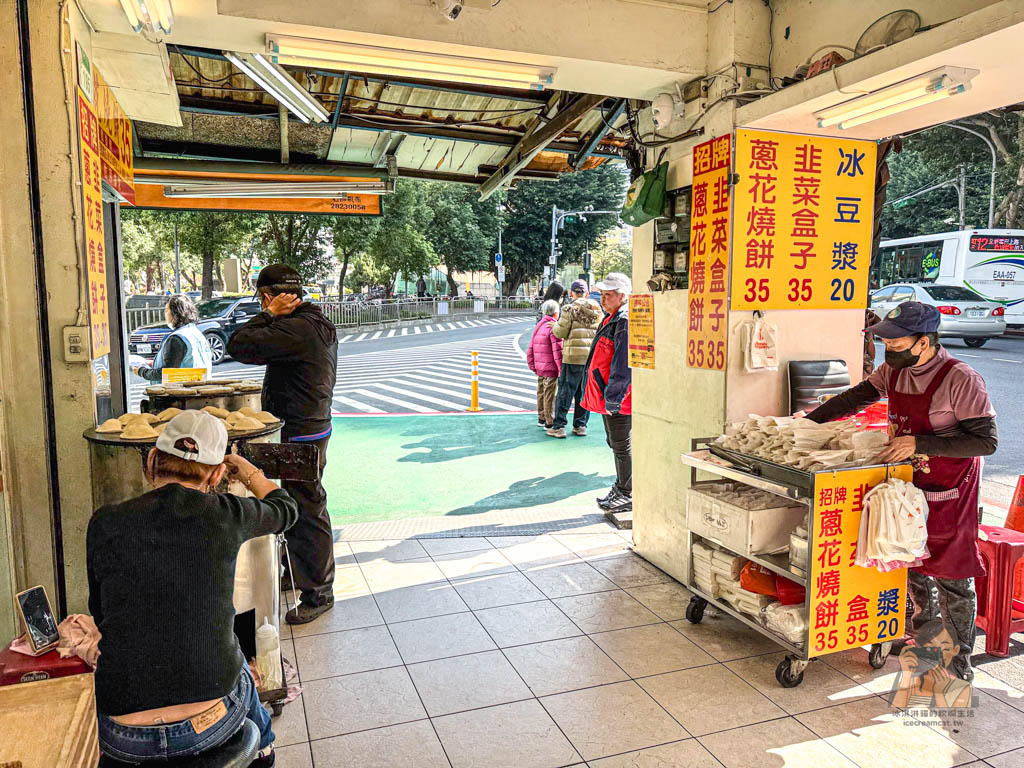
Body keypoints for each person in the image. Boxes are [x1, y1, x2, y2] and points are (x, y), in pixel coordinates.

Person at [87, 410, 298, 765]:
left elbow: (100, 612)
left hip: (123, 736)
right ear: (216, 474)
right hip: (208, 723)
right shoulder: (226, 514)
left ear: (153, 459)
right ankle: (263, 752)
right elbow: (285, 508)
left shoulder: (105, 521)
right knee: (239, 664)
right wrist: (247, 470)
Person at [804, 301, 997, 681]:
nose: (888, 353)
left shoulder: (961, 378)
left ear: (924, 343)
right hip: (909, 488)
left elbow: (985, 442)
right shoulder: (893, 370)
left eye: (896, 345)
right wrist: (804, 425)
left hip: (951, 489)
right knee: (912, 564)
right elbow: (854, 398)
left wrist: (918, 443)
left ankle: (959, 657)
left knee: (953, 577)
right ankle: (924, 637)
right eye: (885, 346)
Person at [227, 264, 339, 625]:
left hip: (302, 430)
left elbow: (239, 344)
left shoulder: (296, 328)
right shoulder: (314, 322)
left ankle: (319, 591)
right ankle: (298, 571)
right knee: (300, 501)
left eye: (264, 298)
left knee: (306, 507)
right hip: (311, 426)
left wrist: (267, 315)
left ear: (269, 296)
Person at [582, 272, 633, 518]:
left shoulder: (623, 321)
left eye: (608, 295)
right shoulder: (611, 318)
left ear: (622, 296)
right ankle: (622, 487)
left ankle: (627, 492)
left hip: (618, 397)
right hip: (608, 395)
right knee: (615, 443)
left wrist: (614, 396)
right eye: (601, 295)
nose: (603, 299)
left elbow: (622, 364)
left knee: (622, 445)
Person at [549, 280, 601, 438]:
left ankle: (559, 426)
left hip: (572, 357)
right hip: (590, 358)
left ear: (572, 293)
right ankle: (580, 425)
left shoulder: (569, 309)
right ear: (586, 293)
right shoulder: (597, 310)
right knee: (583, 392)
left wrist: (554, 325)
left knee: (565, 391)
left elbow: (560, 333)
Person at [134, 294, 213, 382]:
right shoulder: (196, 333)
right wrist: (154, 363)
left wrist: (142, 371)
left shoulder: (177, 338)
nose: (165, 314)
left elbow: (166, 374)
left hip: (183, 392)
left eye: (166, 310)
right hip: (201, 388)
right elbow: (187, 364)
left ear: (176, 313)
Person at [527, 300, 563, 430]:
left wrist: (532, 365)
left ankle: (541, 418)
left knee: (541, 392)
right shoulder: (553, 327)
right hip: (551, 368)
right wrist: (561, 369)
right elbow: (557, 351)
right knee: (550, 395)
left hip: (540, 367)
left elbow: (530, 347)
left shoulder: (539, 326)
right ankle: (549, 421)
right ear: (556, 312)